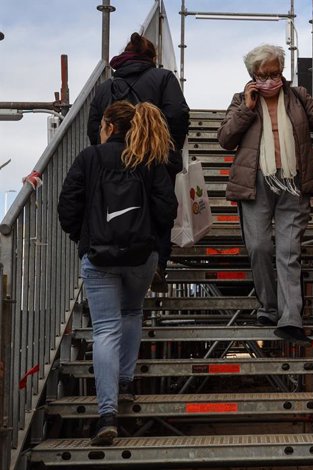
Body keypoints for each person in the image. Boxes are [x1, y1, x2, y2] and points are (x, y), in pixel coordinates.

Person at [217, 44, 313, 346]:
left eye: (274, 73)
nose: (270, 81)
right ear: (252, 77)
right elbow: (225, 139)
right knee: (259, 247)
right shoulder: (240, 101)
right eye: (263, 75)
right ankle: (268, 307)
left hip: (293, 184)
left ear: (282, 71)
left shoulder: (298, 96)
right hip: (256, 184)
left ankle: (291, 319)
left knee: (288, 252)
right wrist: (247, 108)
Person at [58, 101, 177, 446]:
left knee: (105, 329)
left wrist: (81, 236)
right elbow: (166, 209)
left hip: (98, 257)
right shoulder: (149, 159)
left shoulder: (89, 158)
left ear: (109, 125)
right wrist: (151, 239)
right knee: (132, 311)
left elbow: (68, 206)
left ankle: (107, 414)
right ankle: (125, 381)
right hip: (143, 256)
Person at [88, 32, 190, 293]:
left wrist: (106, 152)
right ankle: (156, 262)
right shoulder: (164, 78)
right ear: (152, 57)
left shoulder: (105, 87)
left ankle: (116, 258)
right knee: (160, 207)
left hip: (114, 162)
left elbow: (93, 125)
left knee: (119, 208)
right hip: (157, 157)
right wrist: (169, 145)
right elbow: (178, 113)